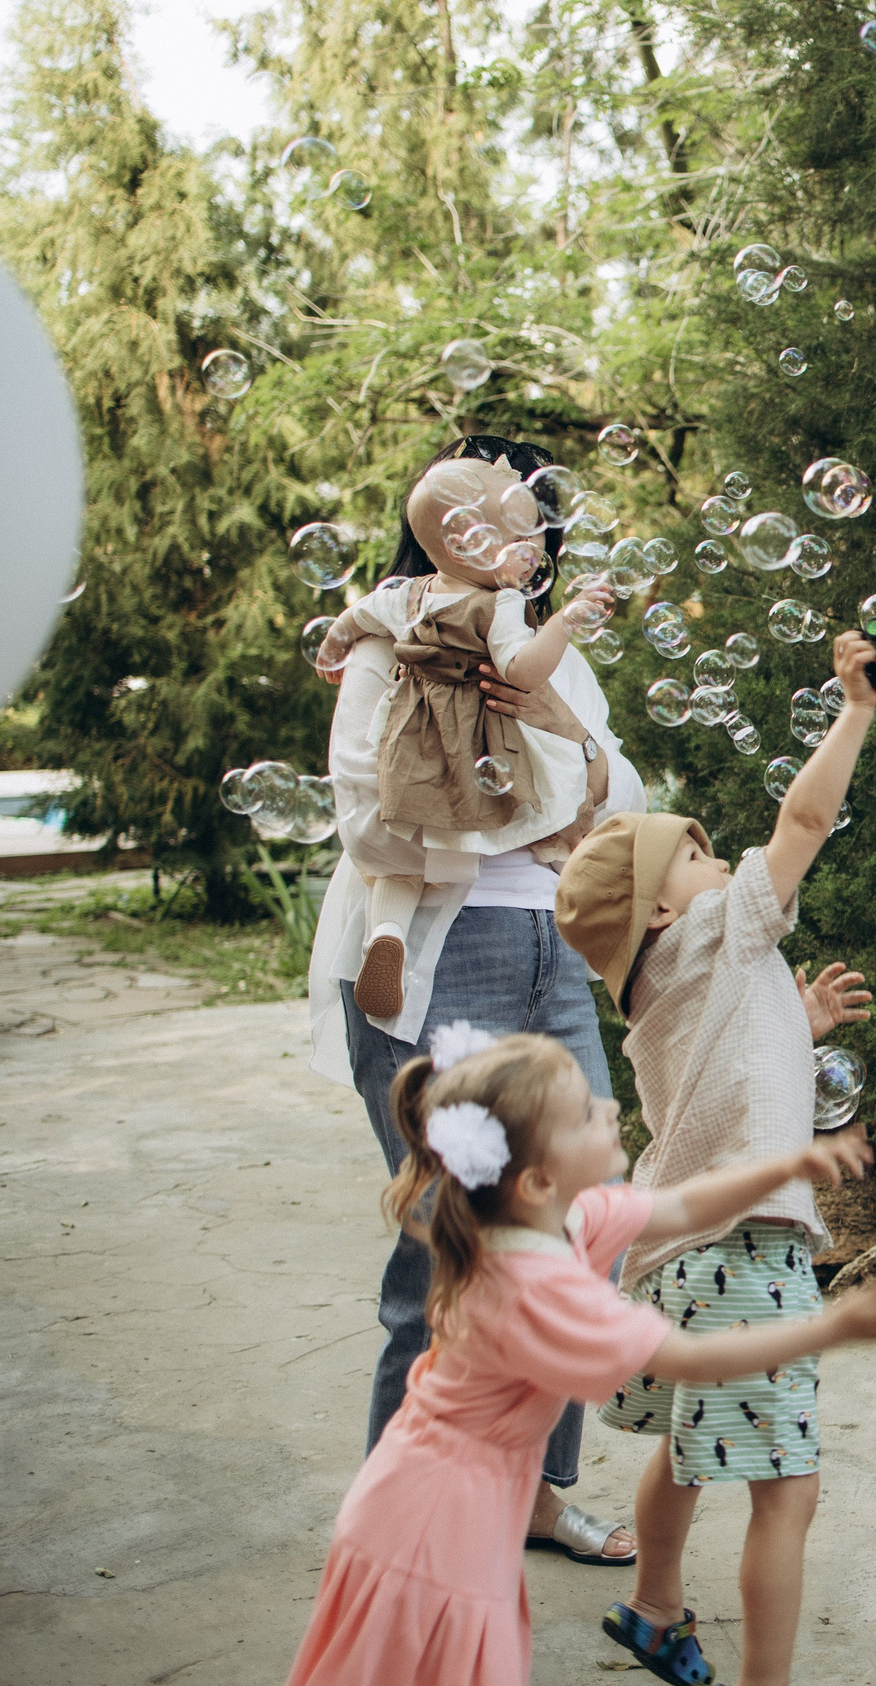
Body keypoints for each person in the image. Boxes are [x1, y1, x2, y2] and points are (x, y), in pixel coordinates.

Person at [279, 1024, 876, 1686]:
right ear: (536, 1177)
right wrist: (835, 1325)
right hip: (437, 1523)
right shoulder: (535, 1284)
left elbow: (681, 1204)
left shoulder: (562, 1217)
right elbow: (689, 1357)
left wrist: (785, 1166)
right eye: (585, 1112)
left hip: (434, 1502)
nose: (609, 1108)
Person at [306, 433, 648, 1566]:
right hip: (436, 960)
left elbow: (623, 787)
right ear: (445, 531)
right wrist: (512, 798)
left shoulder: (539, 640)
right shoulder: (394, 634)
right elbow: (364, 806)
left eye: (529, 513)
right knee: (448, 1245)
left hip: (549, 947)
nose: (520, 529)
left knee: (573, 1224)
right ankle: (399, 1516)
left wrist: (550, 732)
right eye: (493, 509)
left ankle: (537, 1494)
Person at [552, 628, 876, 1686]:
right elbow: (805, 820)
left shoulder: (655, 998)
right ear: (662, 906)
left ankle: (650, 1607)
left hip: (672, 1261)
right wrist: (856, 710)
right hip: (748, 1258)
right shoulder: (727, 931)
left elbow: (724, 1067)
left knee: (690, 1451)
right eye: (697, 857)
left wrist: (797, 1014)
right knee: (787, 1489)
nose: (723, 862)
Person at [312, 455, 615, 1018]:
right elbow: (520, 671)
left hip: (552, 943)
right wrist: (565, 621)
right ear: (464, 543)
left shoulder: (408, 604)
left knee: (417, 840)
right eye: (522, 533)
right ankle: (395, 937)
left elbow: (356, 615)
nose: (537, 548)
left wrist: (330, 646)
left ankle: (388, 930)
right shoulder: (496, 609)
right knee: (541, 820)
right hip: (453, 948)